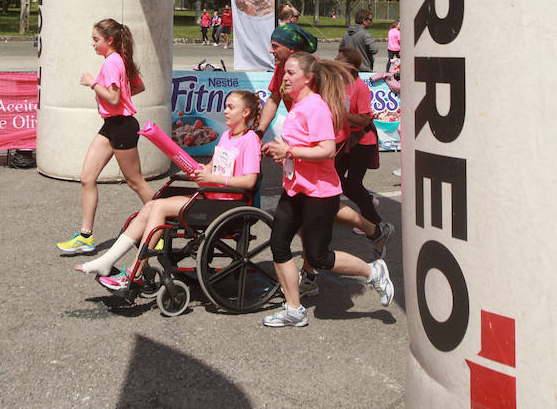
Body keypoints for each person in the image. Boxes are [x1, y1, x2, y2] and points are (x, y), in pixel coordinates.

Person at [75, 90, 262, 288]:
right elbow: (212, 168)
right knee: (152, 205)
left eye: (231, 107)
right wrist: (197, 171)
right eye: (225, 106)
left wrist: (212, 177)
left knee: (159, 208)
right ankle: (108, 262)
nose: (225, 111)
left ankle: (134, 272)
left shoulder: (250, 140)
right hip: (211, 197)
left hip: (229, 205)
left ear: (246, 113)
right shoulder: (225, 136)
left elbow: (249, 181)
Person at [261, 53, 394, 327]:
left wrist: (289, 151)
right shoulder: (298, 105)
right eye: (284, 73)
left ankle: (373, 271)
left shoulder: (316, 107)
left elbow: (326, 149)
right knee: (279, 244)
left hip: (319, 193)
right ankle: (294, 309)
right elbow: (300, 148)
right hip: (295, 188)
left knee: (319, 257)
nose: (284, 78)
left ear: (307, 78)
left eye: (290, 73)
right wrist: (282, 153)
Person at [56, 18, 154, 255]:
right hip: (112, 125)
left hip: (121, 126)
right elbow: (137, 87)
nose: (93, 44)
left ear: (109, 40)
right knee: (87, 177)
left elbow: (112, 98)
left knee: (135, 181)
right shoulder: (120, 59)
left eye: (96, 39)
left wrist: (92, 83)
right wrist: (121, 92)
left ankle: (161, 227)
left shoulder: (112, 62)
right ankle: (85, 236)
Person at [335, 47, 394, 250]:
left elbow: (364, 118)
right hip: (345, 140)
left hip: (362, 141)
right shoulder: (338, 84)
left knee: (351, 184)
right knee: (335, 179)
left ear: (351, 65)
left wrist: (341, 115)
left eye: (340, 59)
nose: (336, 61)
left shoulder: (360, 87)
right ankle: (365, 203)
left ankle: (375, 222)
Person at [255, 22, 318, 139]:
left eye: (275, 46)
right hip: (301, 135)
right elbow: (274, 99)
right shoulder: (281, 67)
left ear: (291, 50)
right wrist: (259, 133)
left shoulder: (313, 69)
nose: (270, 50)